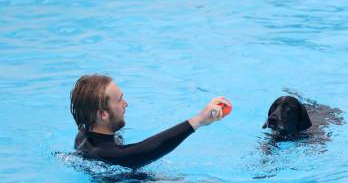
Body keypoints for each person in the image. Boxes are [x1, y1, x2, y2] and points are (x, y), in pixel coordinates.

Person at [70, 74, 230, 169]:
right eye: (119, 101)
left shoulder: (84, 135)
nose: (126, 104)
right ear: (103, 114)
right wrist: (198, 121)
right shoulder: (105, 154)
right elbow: (143, 151)